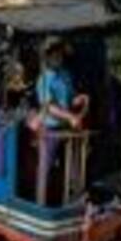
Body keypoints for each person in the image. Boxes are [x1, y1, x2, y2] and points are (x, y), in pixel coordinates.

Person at [33, 37, 90, 204]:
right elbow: (49, 107)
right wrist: (71, 117)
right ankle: (40, 202)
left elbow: (69, 99)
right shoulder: (43, 79)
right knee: (46, 167)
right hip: (50, 129)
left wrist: (79, 99)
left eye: (60, 54)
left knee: (74, 164)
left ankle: (75, 198)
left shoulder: (65, 74)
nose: (59, 57)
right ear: (48, 57)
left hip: (67, 128)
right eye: (55, 55)